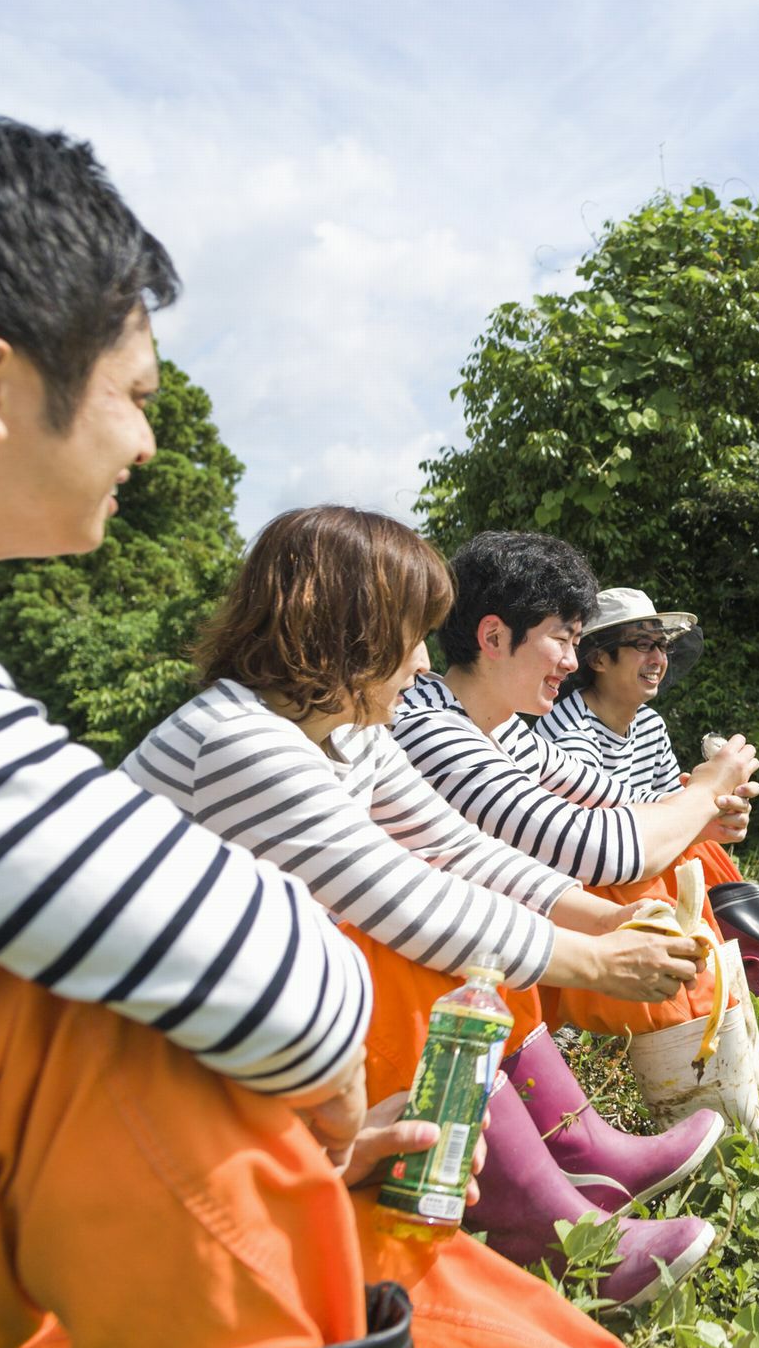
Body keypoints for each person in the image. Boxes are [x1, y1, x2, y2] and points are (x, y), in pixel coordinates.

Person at [0, 112, 745, 1348]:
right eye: (135, 395)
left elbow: (443, 863)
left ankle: (560, 1340)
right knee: (108, 1014)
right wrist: (298, 1096)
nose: (146, 442)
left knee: (234, 1063)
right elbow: (273, 950)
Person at [124, 505, 727, 1306]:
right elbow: (404, 897)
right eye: (410, 635)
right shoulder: (239, 741)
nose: (418, 663)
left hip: (227, 1027)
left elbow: (455, 849)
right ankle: (540, 1220)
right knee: (405, 948)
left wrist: (601, 919)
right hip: (147, 1064)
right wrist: (595, 962)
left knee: (466, 919)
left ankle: (564, 1156)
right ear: (350, 633)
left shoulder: (345, 729)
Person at [391, 532, 759, 1043]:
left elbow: (606, 794)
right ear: (493, 638)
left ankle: (729, 1037)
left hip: (479, 934)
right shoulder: (429, 727)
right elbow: (594, 850)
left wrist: (706, 811)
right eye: (563, 640)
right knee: (643, 869)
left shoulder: (497, 724)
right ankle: (699, 1057)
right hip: (435, 962)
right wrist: (699, 795)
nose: (571, 662)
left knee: (676, 838)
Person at [537, 587, 759, 1011]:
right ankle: (724, 994)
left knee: (700, 848)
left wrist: (713, 805)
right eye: (643, 645)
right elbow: (597, 834)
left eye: (661, 646)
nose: (658, 659)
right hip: (587, 881)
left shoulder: (649, 724)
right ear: (598, 659)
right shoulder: (570, 733)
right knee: (688, 853)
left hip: (636, 862)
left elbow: (673, 813)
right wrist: (699, 798)